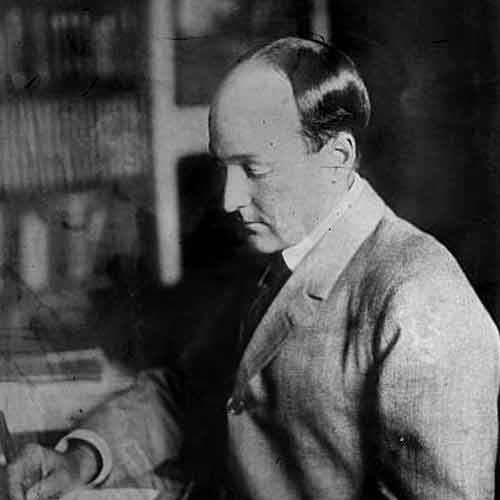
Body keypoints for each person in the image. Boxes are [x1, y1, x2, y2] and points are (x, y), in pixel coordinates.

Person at [7, 37, 500, 500]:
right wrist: (80, 458)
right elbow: (193, 395)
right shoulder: (280, 249)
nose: (229, 200)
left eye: (254, 169)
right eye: (225, 167)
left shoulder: (419, 298)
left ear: (338, 157)